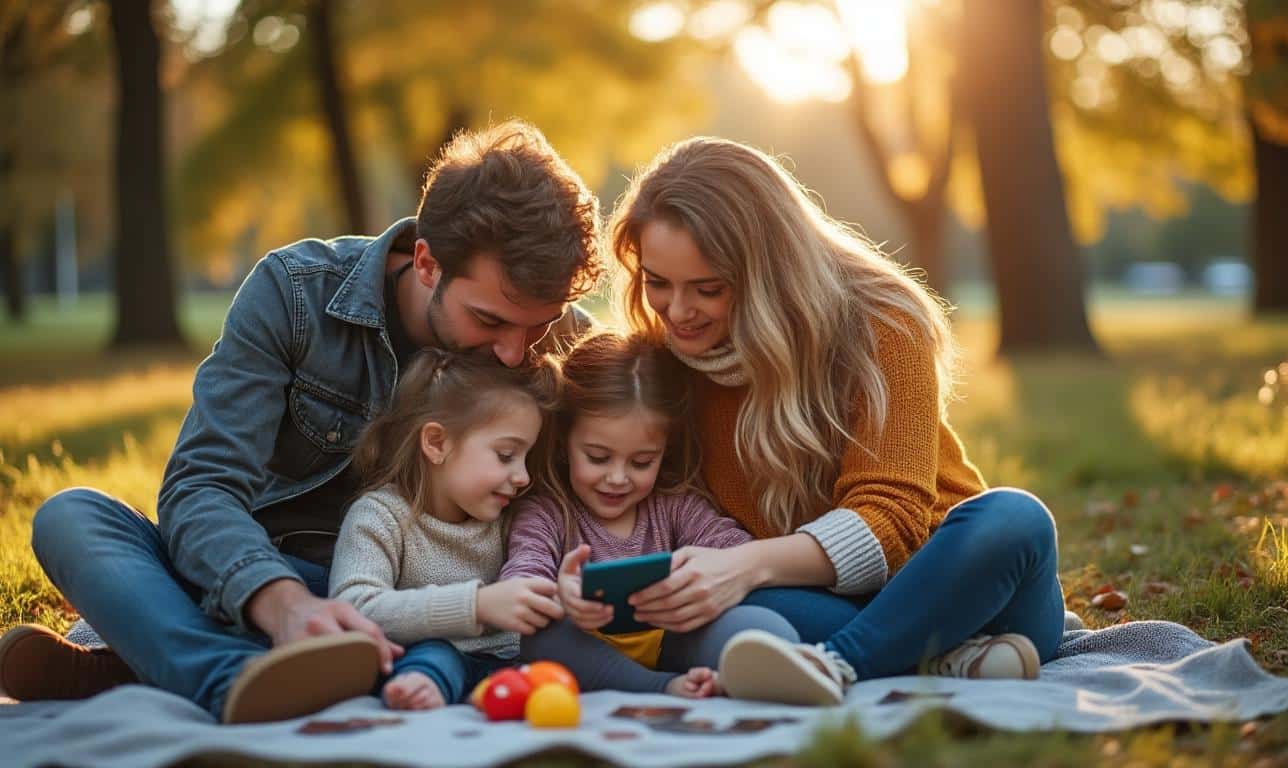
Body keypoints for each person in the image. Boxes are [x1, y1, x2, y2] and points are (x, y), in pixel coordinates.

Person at [0, 121, 602, 723]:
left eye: (540, 325)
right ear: (426, 261)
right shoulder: (295, 294)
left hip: (424, 606)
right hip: (268, 578)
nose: (516, 352)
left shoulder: (560, 338)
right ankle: (236, 675)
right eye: (490, 321)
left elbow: (637, 442)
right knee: (72, 517)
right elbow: (202, 488)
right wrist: (281, 604)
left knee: (436, 649)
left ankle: (165, 669)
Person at [607, 137, 1066, 706]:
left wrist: (744, 565)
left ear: (769, 271)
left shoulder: (882, 324)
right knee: (724, 616)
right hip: (822, 603)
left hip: (971, 597)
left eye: (708, 289)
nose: (677, 312)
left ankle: (837, 664)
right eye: (658, 283)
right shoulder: (663, 364)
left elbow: (892, 520)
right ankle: (944, 661)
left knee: (1014, 517)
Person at [498, 332, 798, 698]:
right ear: (564, 444)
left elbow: (736, 550)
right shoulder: (547, 512)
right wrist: (562, 597)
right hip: (583, 647)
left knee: (766, 627)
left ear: (663, 451)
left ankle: (738, 675)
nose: (618, 478)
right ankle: (663, 687)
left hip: (673, 638)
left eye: (642, 462)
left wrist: (710, 572)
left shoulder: (674, 504)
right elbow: (519, 580)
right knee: (541, 640)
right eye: (597, 457)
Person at [329, 349, 564, 710]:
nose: (523, 477)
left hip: (513, 661)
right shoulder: (379, 516)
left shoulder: (512, 519)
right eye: (505, 455)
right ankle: (420, 691)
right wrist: (477, 606)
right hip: (434, 657)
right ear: (437, 443)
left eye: (526, 458)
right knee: (434, 656)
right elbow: (354, 607)